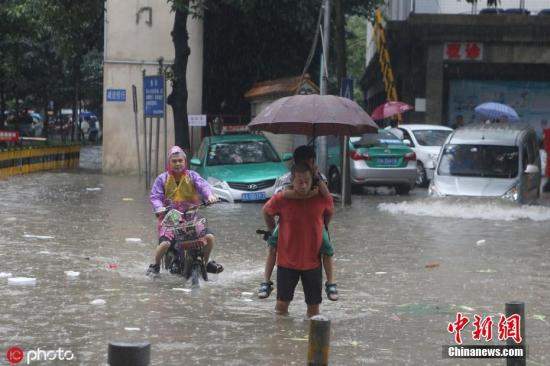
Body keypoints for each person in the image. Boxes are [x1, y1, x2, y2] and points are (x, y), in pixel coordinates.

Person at [258, 145, 338, 301]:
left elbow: (327, 199)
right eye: (305, 161)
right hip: (287, 223)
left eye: (310, 161)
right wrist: (305, 193)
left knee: (327, 249)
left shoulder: (319, 177)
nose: (307, 164)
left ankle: (331, 282)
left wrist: (315, 180)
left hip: (314, 223)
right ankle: (266, 280)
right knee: (273, 246)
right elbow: (278, 198)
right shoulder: (285, 178)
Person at [146, 146, 222, 276]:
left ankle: (206, 261)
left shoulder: (192, 176)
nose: (177, 164)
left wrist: (209, 196)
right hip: (170, 218)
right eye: (174, 161)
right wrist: (159, 207)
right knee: (164, 244)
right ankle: (156, 265)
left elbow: (203, 186)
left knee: (209, 237)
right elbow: (155, 197)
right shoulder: (162, 179)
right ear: (169, 163)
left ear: (185, 162)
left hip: (191, 217)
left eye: (180, 161)